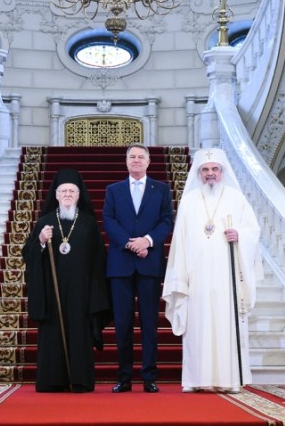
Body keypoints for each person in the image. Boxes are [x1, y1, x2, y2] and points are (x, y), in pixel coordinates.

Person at [162, 148, 262, 393]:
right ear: (198, 173)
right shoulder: (188, 201)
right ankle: (195, 380)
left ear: (222, 171)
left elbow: (253, 230)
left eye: (214, 169)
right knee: (198, 327)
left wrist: (240, 235)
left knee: (226, 326)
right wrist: (180, 276)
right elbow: (180, 241)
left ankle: (229, 380)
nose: (210, 173)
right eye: (205, 169)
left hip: (227, 276)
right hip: (196, 276)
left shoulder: (236, 198)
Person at [22, 168, 111, 392]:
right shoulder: (45, 222)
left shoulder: (89, 223)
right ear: (56, 195)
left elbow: (99, 260)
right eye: (63, 191)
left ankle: (80, 380)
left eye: (72, 191)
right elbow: (28, 255)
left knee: (79, 332)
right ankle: (53, 380)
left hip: (81, 292)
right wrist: (41, 241)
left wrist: (95, 291)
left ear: (79, 195)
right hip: (52, 291)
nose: (68, 195)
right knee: (52, 333)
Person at [103, 143, 173, 393]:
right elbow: (108, 220)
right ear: (126, 161)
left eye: (140, 157)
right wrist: (131, 244)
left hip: (149, 263)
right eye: (132, 156)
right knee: (122, 323)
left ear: (148, 161)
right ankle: (124, 378)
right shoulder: (113, 190)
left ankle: (149, 377)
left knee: (149, 324)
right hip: (120, 265)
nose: (136, 160)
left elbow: (166, 220)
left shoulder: (161, 189)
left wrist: (148, 241)